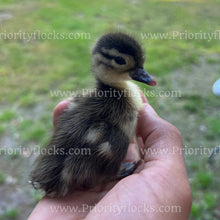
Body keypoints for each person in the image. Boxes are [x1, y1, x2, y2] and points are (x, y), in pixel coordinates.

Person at [28, 92, 192, 220]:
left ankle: (73, 176)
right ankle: (95, 175)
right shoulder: (113, 115)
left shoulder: (98, 106)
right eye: (122, 62)